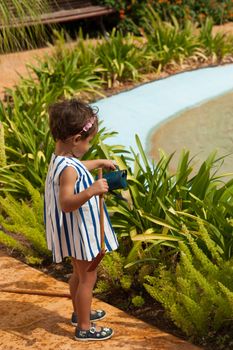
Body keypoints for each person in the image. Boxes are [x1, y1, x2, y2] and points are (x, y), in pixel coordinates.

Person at [44, 98, 119, 341]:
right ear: (76, 140)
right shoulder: (68, 169)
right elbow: (66, 203)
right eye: (88, 142)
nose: (89, 146)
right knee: (87, 279)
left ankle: (80, 312)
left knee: (78, 275)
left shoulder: (61, 159)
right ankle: (85, 328)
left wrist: (99, 162)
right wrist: (92, 190)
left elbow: (76, 166)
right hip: (81, 232)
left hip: (72, 232)